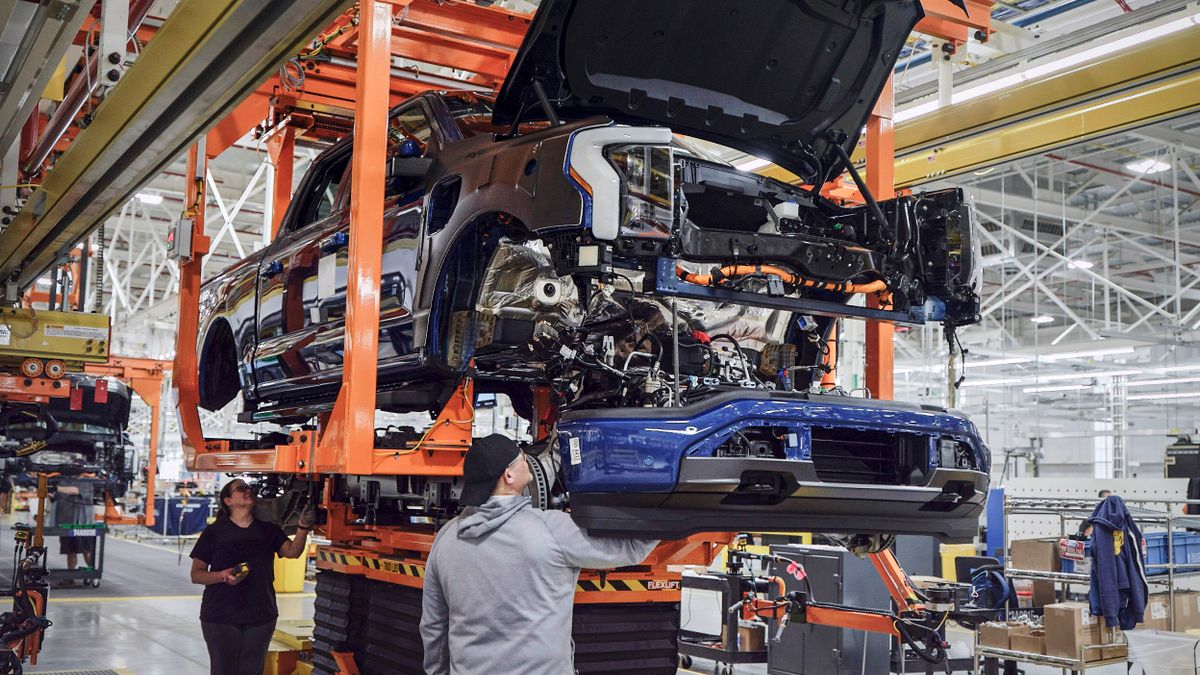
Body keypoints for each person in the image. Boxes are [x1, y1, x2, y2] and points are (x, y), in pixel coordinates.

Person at [420, 434, 659, 675]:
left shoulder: (447, 537)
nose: (527, 459)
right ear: (509, 476)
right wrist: (668, 499)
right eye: (521, 457)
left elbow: (434, 626)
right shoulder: (553, 530)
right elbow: (632, 548)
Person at [189, 479, 314, 675]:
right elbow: (196, 575)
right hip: (221, 616)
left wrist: (302, 528)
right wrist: (222, 576)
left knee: (252, 671)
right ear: (228, 501)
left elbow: (292, 552)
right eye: (240, 489)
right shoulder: (214, 532)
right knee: (224, 671)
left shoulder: (268, 530)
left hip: (260, 615)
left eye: (248, 488)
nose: (247, 491)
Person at [52, 476, 95, 587]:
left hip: (83, 524)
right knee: (70, 550)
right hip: (66, 522)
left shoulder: (87, 481)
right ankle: (70, 577)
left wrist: (55, 488)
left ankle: (92, 574)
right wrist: (43, 489)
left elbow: (75, 490)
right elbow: (53, 497)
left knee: (87, 550)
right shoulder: (63, 481)